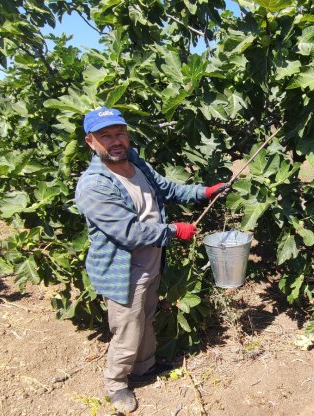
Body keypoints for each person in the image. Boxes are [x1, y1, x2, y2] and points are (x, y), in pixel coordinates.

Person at [74, 107, 226, 413]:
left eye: (120, 134)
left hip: (151, 263)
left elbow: (167, 189)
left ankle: (145, 367)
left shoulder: (134, 162)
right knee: (128, 329)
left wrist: (205, 192)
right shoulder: (93, 186)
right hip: (123, 271)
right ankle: (116, 384)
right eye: (106, 136)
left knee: (145, 319)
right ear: (91, 142)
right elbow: (129, 232)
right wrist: (174, 230)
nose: (115, 141)